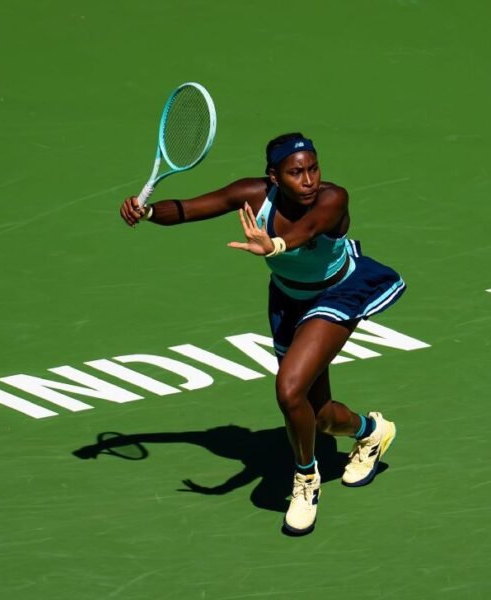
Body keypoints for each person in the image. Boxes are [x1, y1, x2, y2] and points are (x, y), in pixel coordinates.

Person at [118, 133, 404, 536]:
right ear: (273, 177)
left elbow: (310, 229)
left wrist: (275, 245)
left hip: (339, 292)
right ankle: (371, 432)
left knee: (289, 390)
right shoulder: (250, 194)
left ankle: (306, 480)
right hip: (289, 302)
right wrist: (146, 213)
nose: (309, 180)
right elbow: (186, 210)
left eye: (313, 168)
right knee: (317, 415)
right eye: (295, 172)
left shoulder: (332, 198)